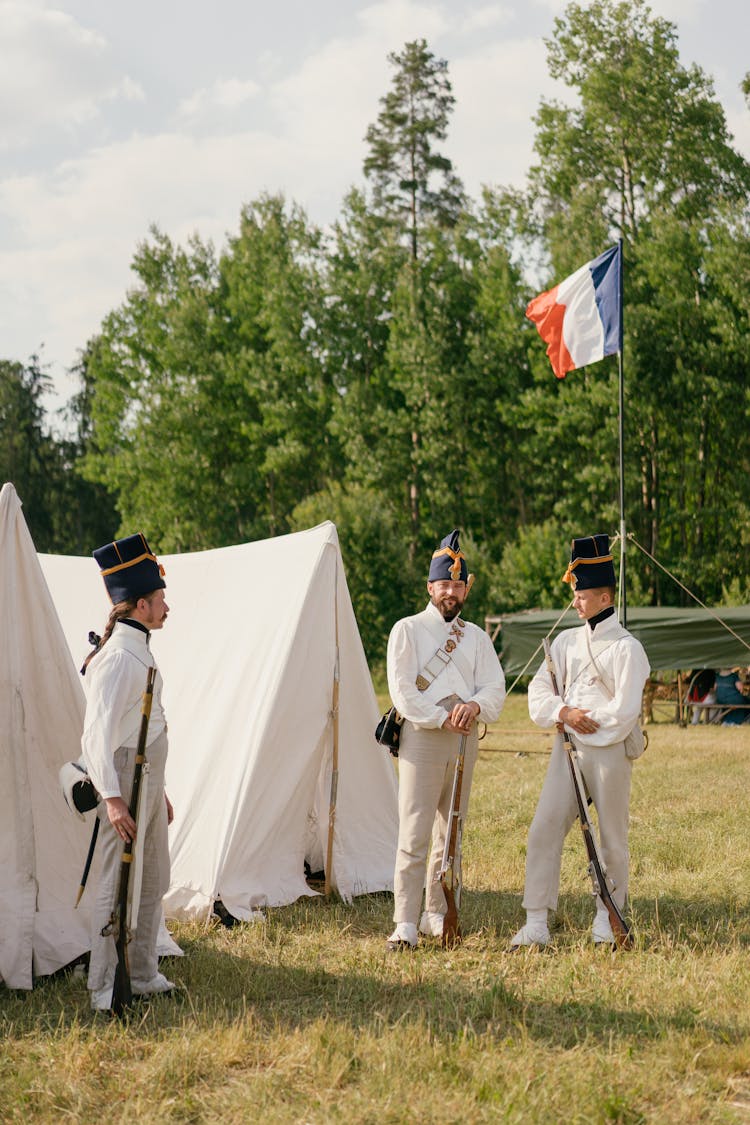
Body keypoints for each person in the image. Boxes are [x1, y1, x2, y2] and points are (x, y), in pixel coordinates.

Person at [510, 533, 650, 949]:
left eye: (583, 594)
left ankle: (608, 918)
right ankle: (536, 922)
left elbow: (625, 711)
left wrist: (586, 721)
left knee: (610, 837)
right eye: (575, 593)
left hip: (607, 750)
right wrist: (562, 713)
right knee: (544, 829)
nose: (576, 602)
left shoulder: (628, 648)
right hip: (566, 749)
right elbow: (538, 692)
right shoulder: (566, 642)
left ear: (605, 597)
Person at [385, 529, 506, 951]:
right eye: (443, 584)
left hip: (464, 739)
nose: (450, 592)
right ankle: (404, 922)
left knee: (450, 832)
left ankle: (436, 911)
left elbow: (495, 687)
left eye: (457, 585)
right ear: (430, 587)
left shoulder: (474, 636)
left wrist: (472, 708)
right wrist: (441, 717)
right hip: (424, 736)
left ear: (464, 588)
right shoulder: (407, 629)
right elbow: (402, 692)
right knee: (414, 832)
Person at [81, 533, 175, 1010]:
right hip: (120, 776)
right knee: (114, 882)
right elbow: (96, 736)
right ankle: (103, 986)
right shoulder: (118, 657)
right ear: (140, 604)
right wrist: (114, 798)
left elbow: (145, 728)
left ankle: (141, 971)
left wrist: (158, 792)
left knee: (154, 874)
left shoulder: (138, 646)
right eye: (160, 600)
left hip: (145, 776)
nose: (166, 607)